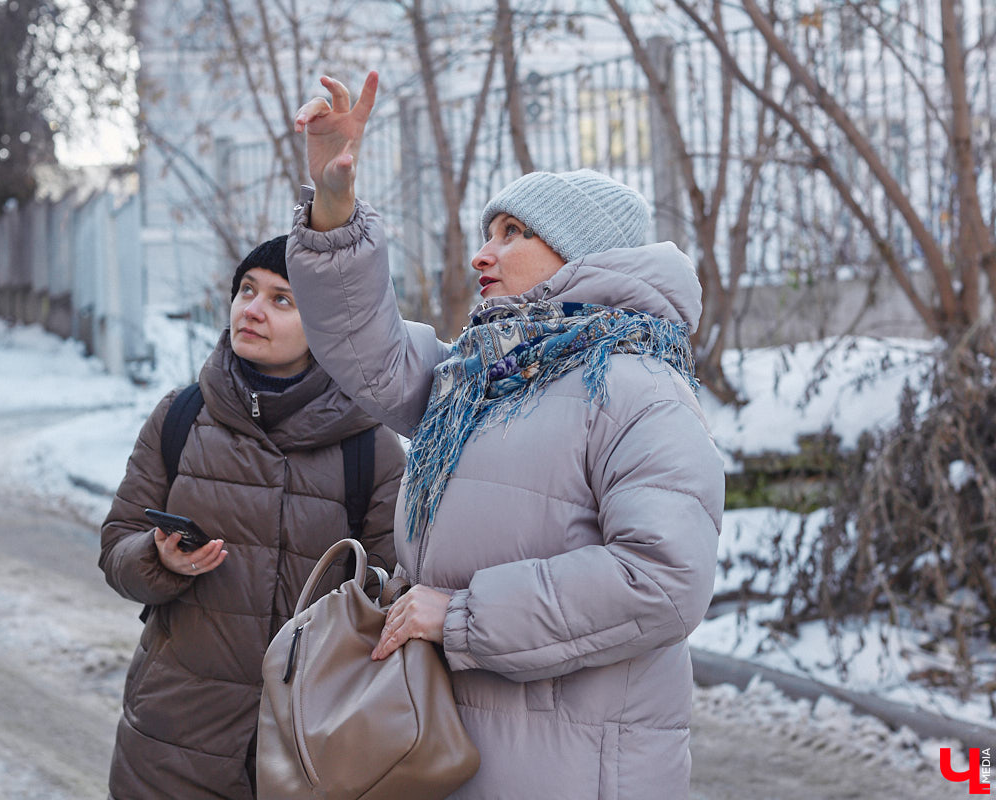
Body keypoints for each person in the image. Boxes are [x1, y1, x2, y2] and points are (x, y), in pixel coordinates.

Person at [285, 72, 724, 799]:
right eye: (486, 234)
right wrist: (335, 209)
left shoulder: (637, 388)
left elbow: (664, 578)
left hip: (574, 774)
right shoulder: (485, 377)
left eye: (513, 234)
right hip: (456, 756)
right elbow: (372, 352)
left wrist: (458, 614)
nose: (483, 254)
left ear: (582, 256)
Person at [98, 234, 406, 799]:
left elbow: (394, 591)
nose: (253, 310)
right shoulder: (181, 417)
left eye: (281, 299)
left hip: (312, 743)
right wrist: (156, 557)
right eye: (246, 291)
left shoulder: (370, 446)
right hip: (176, 737)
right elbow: (117, 544)